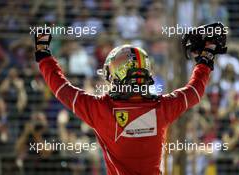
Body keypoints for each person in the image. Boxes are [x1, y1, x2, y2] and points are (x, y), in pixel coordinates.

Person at [34, 29, 224, 174]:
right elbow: (195, 91)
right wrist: (206, 55)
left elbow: (61, 88)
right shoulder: (163, 108)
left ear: (117, 75)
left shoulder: (99, 109)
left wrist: (43, 52)